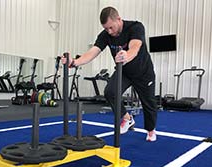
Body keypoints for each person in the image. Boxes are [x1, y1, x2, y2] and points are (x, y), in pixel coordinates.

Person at [62, 6, 157, 141]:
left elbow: (135, 47)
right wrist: (74, 62)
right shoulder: (105, 35)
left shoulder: (135, 27)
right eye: (106, 28)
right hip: (124, 72)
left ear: (118, 19)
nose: (109, 31)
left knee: (149, 103)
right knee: (110, 92)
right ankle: (127, 119)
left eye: (111, 27)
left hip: (143, 72)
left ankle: (151, 131)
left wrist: (126, 55)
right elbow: (92, 52)